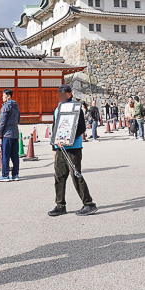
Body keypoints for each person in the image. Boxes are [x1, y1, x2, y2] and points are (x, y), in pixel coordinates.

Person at [48, 85, 98, 217]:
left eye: (63, 94)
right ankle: (60, 205)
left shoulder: (77, 108)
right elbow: (55, 128)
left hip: (73, 148)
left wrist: (68, 138)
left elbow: (81, 128)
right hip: (60, 148)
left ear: (69, 94)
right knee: (59, 176)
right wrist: (54, 147)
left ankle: (89, 204)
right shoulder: (57, 109)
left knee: (76, 175)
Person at [0, 89, 21, 182]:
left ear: (9, 96)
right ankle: (15, 174)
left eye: (3, 95)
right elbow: (18, 118)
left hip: (7, 134)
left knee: (5, 155)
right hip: (15, 133)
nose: (2, 97)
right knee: (15, 155)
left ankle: (5, 175)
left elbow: (2, 121)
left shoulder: (6, 107)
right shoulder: (16, 106)